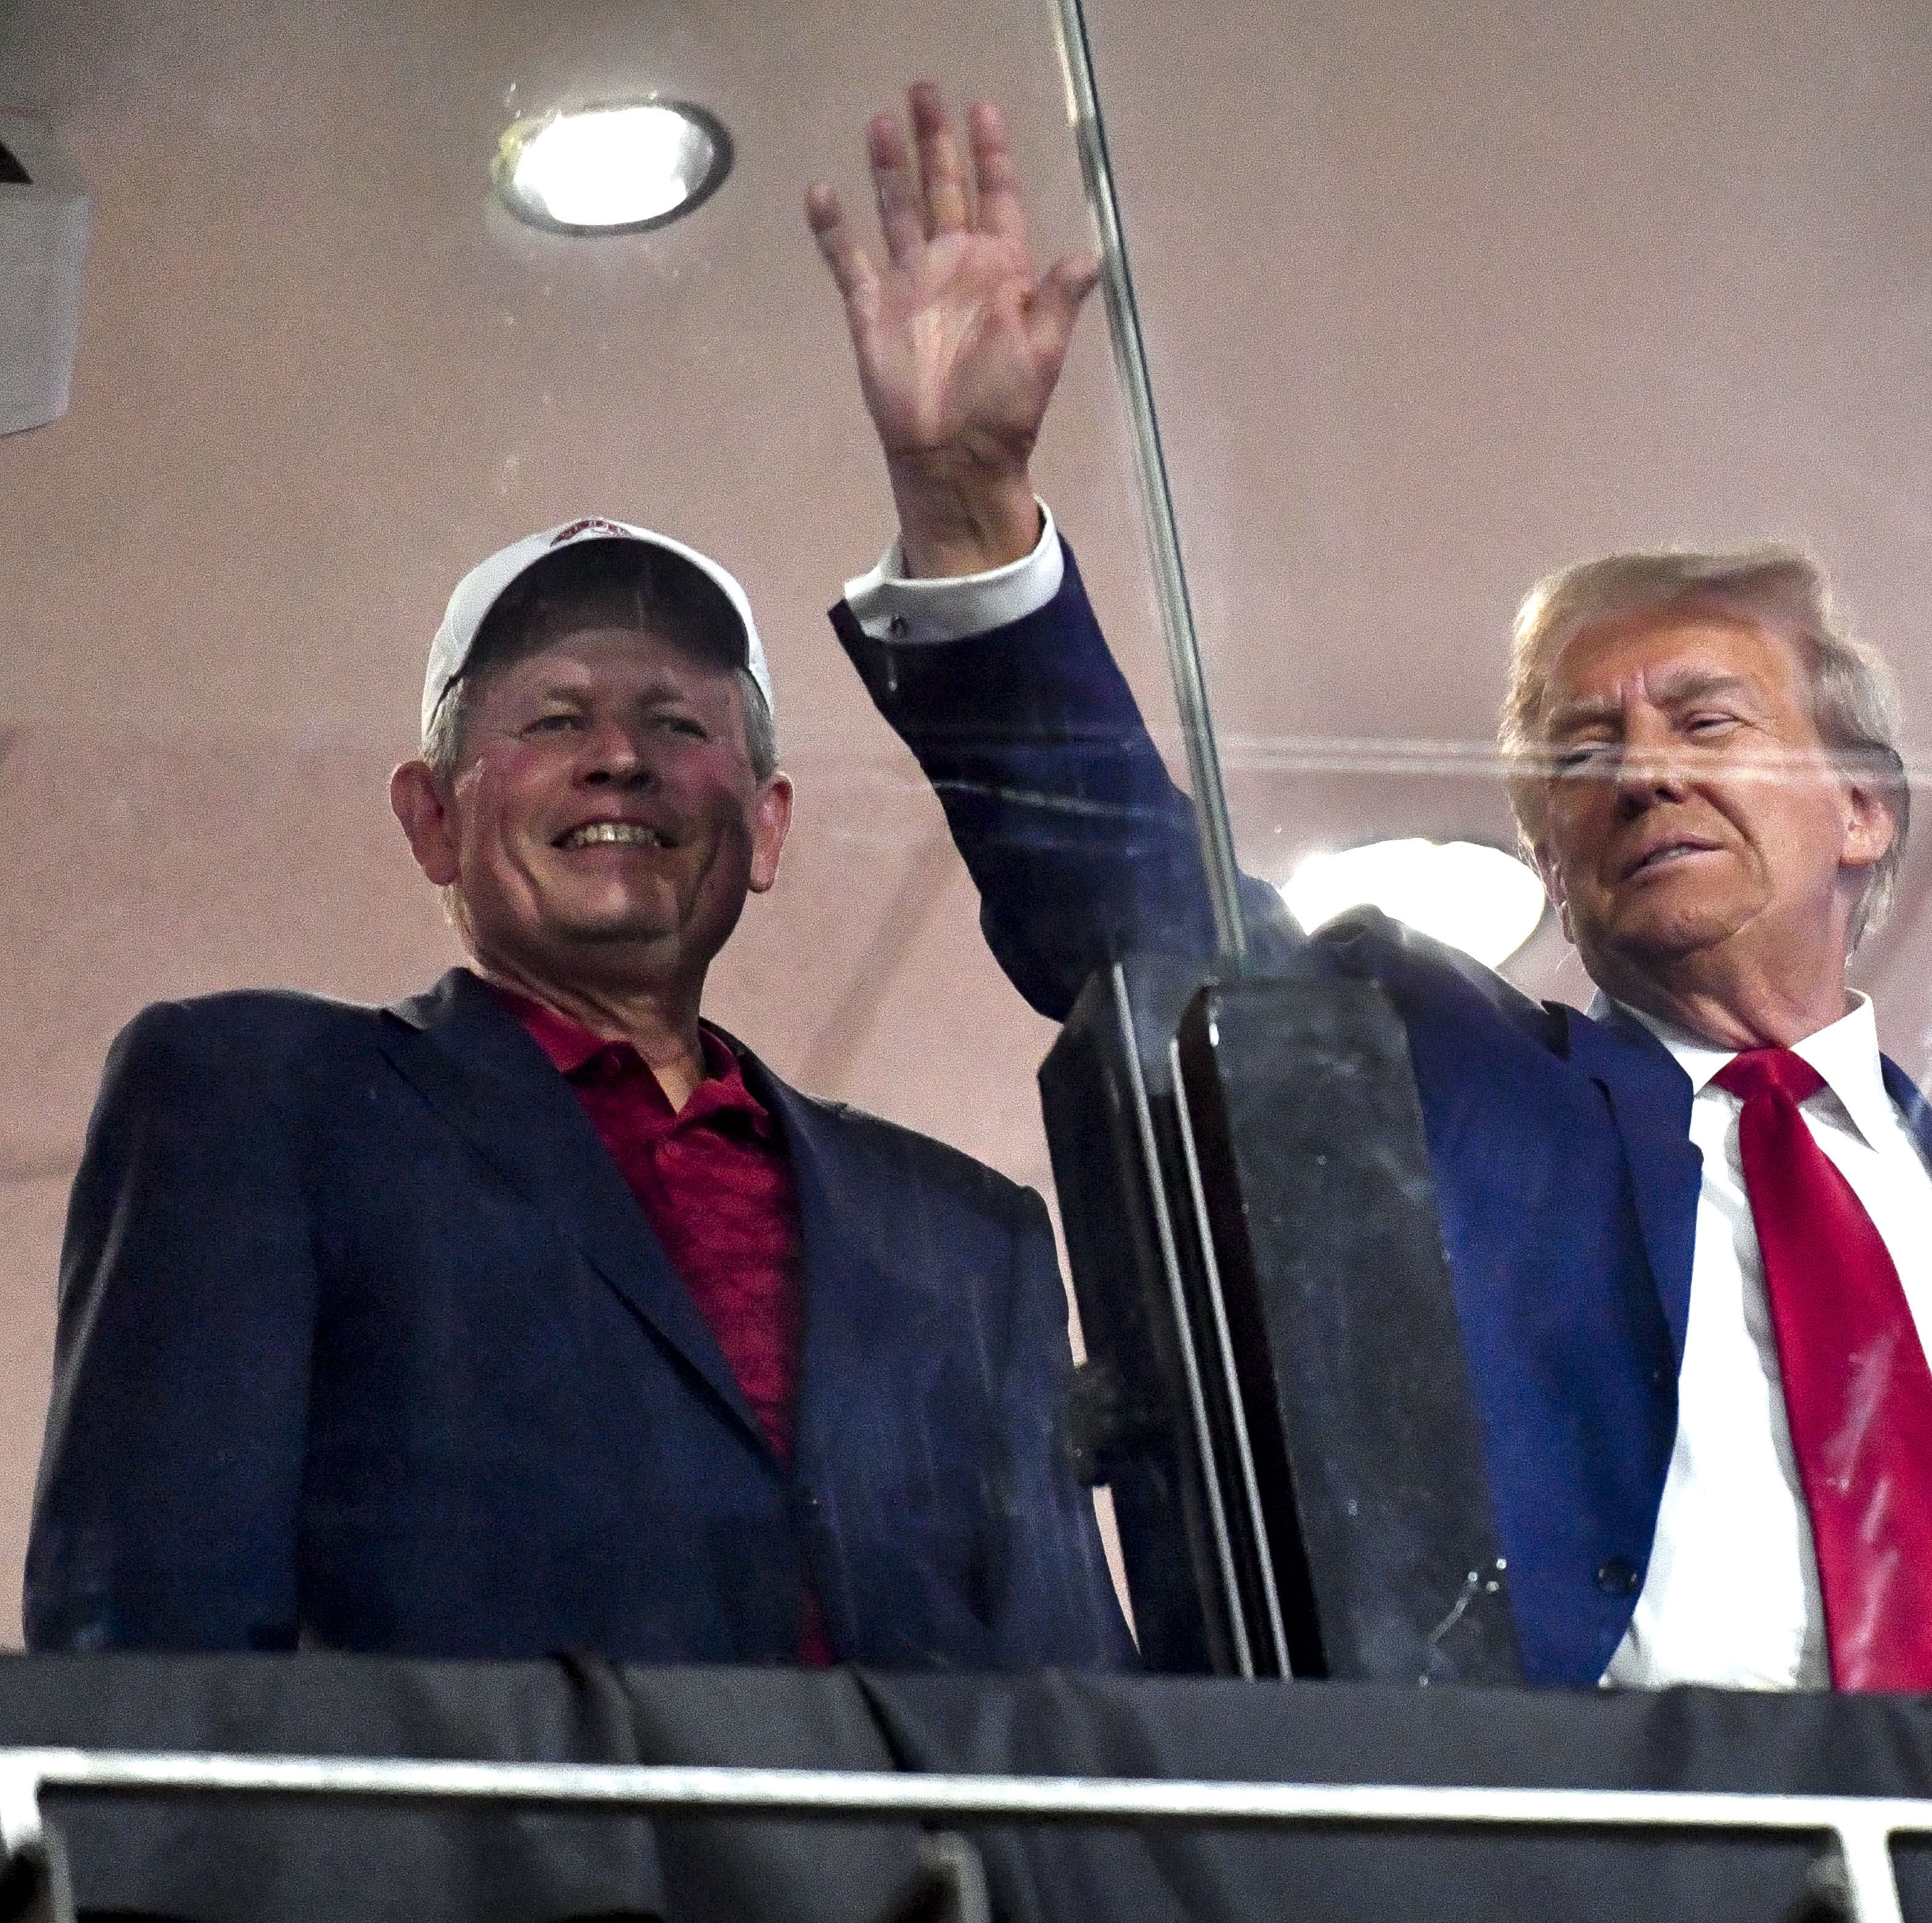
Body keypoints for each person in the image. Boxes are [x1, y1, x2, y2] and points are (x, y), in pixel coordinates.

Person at [801, 86, 1932, 1696]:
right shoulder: (1438, 1084)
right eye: (1584, 750)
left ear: (1865, 808)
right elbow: (1120, 901)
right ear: (1550, 855)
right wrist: (971, 521)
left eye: (1709, 718)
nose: (1645, 769)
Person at [26, 517, 1135, 1670]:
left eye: (677, 723)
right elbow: (152, 1656)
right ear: (433, 816)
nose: (618, 756)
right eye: (556, 718)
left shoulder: (967, 1233)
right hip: (480, 1854)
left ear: (766, 826)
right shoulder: (254, 1102)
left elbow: (1077, 1706)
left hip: (919, 1854)